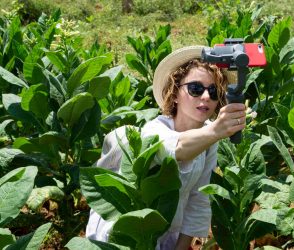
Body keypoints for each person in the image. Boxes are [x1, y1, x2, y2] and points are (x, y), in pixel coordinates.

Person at [86, 46, 246, 249]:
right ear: (175, 93)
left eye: (213, 91)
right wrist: (216, 131)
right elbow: (175, 150)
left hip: (166, 241)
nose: (205, 96)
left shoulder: (208, 141)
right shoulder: (154, 130)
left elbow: (199, 201)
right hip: (123, 238)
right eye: (196, 89)